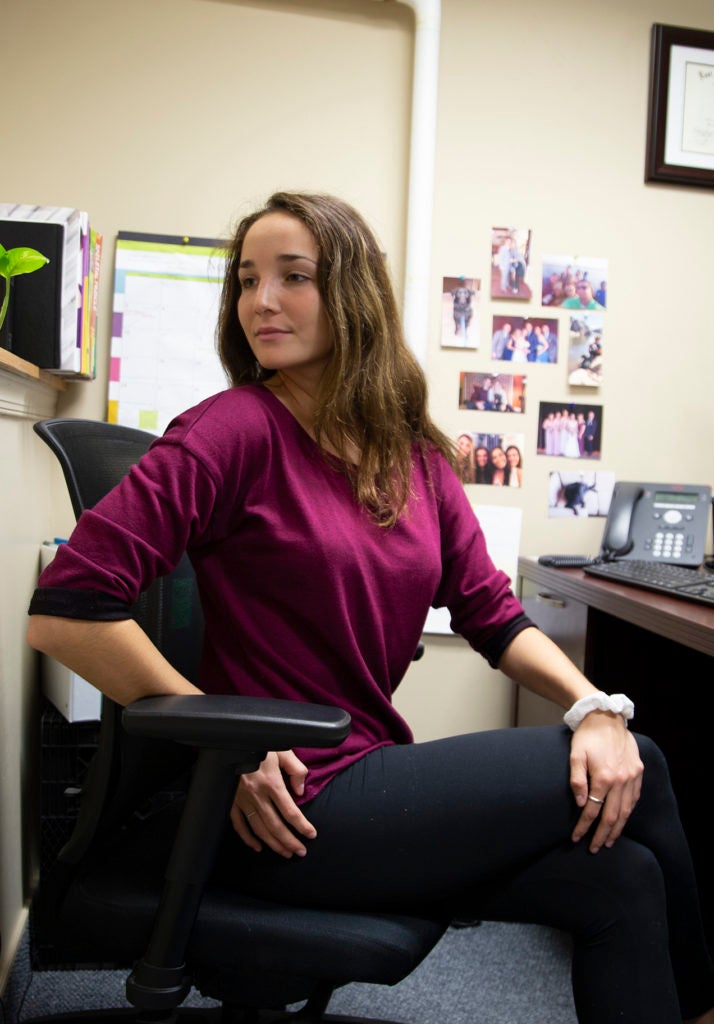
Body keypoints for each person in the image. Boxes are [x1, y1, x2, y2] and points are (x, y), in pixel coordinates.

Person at [26, 192, 714, 1024]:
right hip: (288, 801)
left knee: (622, 880)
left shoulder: (414, 457)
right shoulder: (232, 429)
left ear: (353, 292)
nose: (262, 300)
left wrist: (592, 704)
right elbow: (67, 609)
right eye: (247, 279)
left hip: (365, 775)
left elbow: (493, 616)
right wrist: (220, 741)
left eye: (294, 276)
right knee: (649, 763)